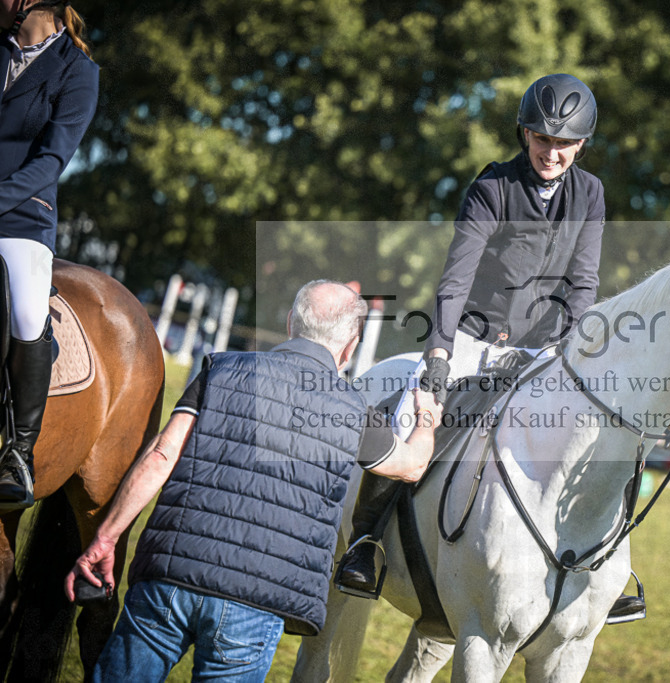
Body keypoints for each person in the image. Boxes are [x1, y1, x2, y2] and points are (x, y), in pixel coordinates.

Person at [336, 73, 643, 623]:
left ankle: (609, 566)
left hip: (546, 349)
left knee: (606, 427)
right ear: (525, 135)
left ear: (581, 145)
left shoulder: (590, 194)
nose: (552, 153)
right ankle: (366, 541)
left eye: (564, 143)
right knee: (410, 415)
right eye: (543, 140)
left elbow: (583, 285)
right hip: (477, 338)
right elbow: (455, 281)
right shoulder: (492, 189)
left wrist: (567, 350)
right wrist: (437, 357)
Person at [64, 281, 443, 681]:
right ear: (351, 346)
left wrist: (105, 539)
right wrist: (428, 414)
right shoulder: (354, 410)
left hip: (169, 575)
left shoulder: (220, 367)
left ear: (291, 323)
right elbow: (412, 465)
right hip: (256, 604)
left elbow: (161, 455)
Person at [0, 0, 99, 509]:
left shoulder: (78, 72)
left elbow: (52, 160)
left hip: (21, 216)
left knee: (26, 310)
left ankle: (17, 452)